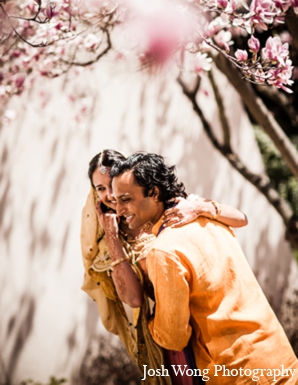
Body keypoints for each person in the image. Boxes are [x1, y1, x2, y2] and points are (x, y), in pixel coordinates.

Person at [111, 152, 298, 385]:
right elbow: (240, 218)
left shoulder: (164, 251)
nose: (118, 210)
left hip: (239, 374)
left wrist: (150, 321)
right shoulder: (207, 215)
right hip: (279, 357)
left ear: (154, 193)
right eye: (115, 200)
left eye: (126, 199)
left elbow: (173, 337)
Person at [80, 149, 248, 384]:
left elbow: (241, 218)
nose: (110, 195)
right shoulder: (111, 242)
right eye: (100, 189)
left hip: (214, 317)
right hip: (174, 332)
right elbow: (134, 299)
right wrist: (112, 236)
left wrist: (200, 208)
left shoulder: (174, 207)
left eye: (112, 185)